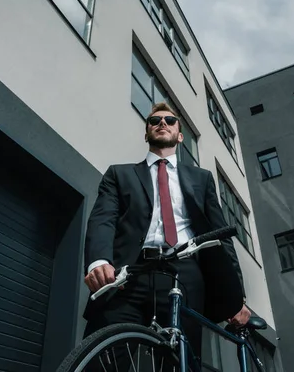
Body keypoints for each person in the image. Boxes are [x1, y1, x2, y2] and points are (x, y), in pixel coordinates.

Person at [82, 102, 251, 368]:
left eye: (170, 120)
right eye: (155, 120)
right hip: (129, 275)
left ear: (179, 135)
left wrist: (237, 295)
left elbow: (221, 237)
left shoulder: (202, 178)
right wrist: (99, 261)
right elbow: (103, 219)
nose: (163, 123)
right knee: (101, 360)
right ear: (146, 132)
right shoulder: (119, 174)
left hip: (185, 274)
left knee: (181, 362)